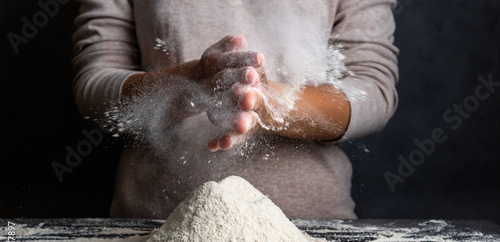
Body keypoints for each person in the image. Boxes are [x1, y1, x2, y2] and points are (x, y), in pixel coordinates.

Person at [72, 0, 399, 220]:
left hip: (312, 230)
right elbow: (94, 88)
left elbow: (373, 91)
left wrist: (269, 102)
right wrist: (191, 85)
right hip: (150, 228)